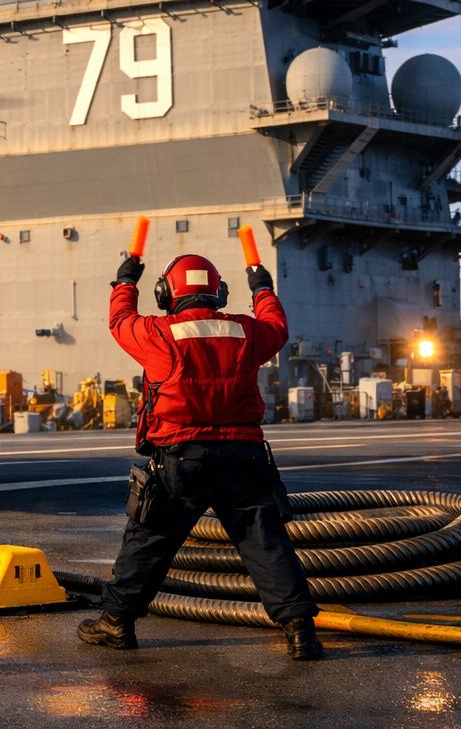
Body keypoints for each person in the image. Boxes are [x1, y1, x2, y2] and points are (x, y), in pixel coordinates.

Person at [77, 252, 323, 660]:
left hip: (180, 457)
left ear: (165, 293)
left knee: (149, 540)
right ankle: (301, 632)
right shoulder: (244, 331)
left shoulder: (158, 333)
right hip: (243, 457)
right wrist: (262, 288)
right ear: (218, 291)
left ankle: (116, 623)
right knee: (266, 544)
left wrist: (125, 281)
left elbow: (120, 321)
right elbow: (277, 328)